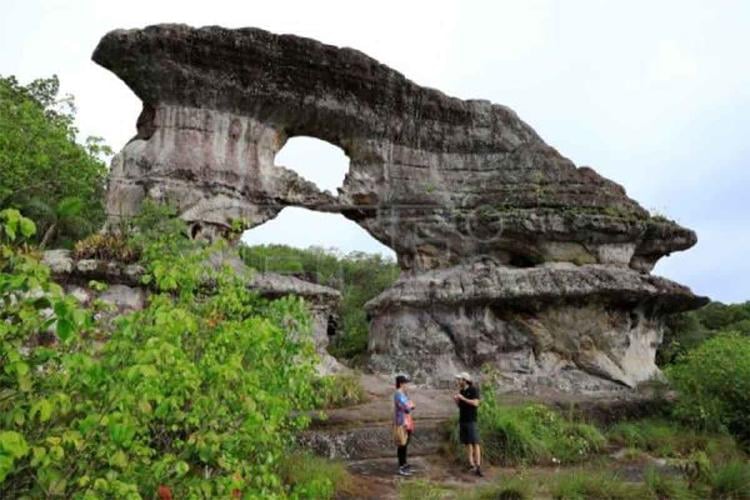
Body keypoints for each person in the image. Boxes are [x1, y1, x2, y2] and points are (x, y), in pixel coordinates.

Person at [453, 372, 483, 477]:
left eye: (459, 379)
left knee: (475, 442)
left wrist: (462, 398)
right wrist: (456, 401)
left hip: (471, 420)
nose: (458, 381)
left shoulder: (473, 390)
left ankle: (478, 466)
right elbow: (461, 406)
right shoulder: (461, 391)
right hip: (463, 420)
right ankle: (471, 464)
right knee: (467, 443)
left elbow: (476, 403)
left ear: (464, 380)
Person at [393, 374, 415, 476]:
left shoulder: (404, 393)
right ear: (401, 383)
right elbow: (406, 407)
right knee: (402, 444)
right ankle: (401, 466)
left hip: (408, 421)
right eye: (406, 383)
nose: (407, 385)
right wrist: (410, 405)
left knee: (406, 443)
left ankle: (405, 464)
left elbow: (411, 405)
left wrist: (410, 405)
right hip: (402, 421)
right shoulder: (398, 393)